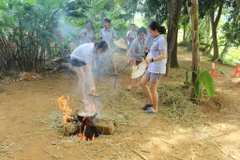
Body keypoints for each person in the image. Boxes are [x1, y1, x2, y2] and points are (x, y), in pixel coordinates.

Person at [139, 22, 167, 114]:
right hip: (152, 67)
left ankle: (155, 108)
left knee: (152, 88)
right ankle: (150, 102)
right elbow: (153, 52)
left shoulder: (161, 40)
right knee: (142, 83)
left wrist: (151, 60)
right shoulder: (156, 39)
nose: (150, 34)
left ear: (156, 30)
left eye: (151, 32)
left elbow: (163, 55)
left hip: (158, 68)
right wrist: (149, 63)